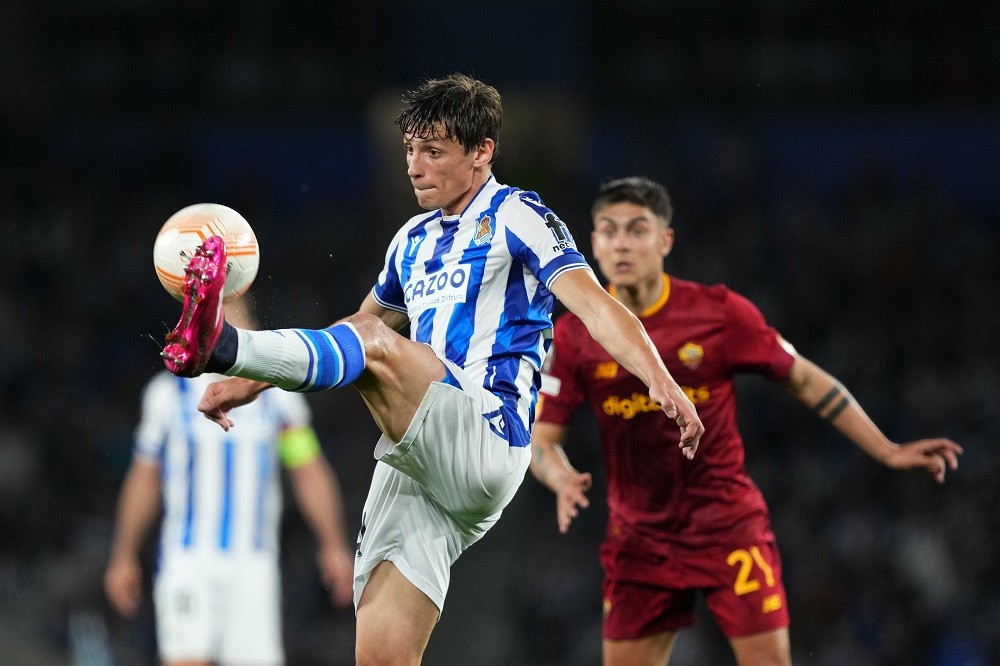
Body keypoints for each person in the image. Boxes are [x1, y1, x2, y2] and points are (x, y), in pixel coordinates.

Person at [157, 74, 704, 664]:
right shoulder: (410, 241)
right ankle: (232, 353)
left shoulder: (519, 215)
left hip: (487, 431)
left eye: (434, 152)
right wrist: (253, 385)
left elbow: (596, 306)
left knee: (373, 345)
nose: (415, 168)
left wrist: (661, 379)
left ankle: (222, 343)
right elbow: (352, 329)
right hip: (421, 464)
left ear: (482, 151)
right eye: (410, 151)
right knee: (381, 658)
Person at [528, 176, 964, 665]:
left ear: (665, 240)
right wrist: (559, 477)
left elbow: (804, 379)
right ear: (592, 243)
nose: (621, 244)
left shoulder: (718, 313)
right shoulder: (573, 336)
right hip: (639, 541)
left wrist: (887, 449)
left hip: (727, 527)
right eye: (609, 231)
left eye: (637, 230)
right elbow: (543, 440)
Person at [104, 298, 356, 666]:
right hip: (188, 560)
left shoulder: (277, 398)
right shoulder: (169, 394)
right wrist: (124, 554)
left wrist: (333, 543)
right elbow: (145, 478)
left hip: (253, 564)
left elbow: (307, 468)